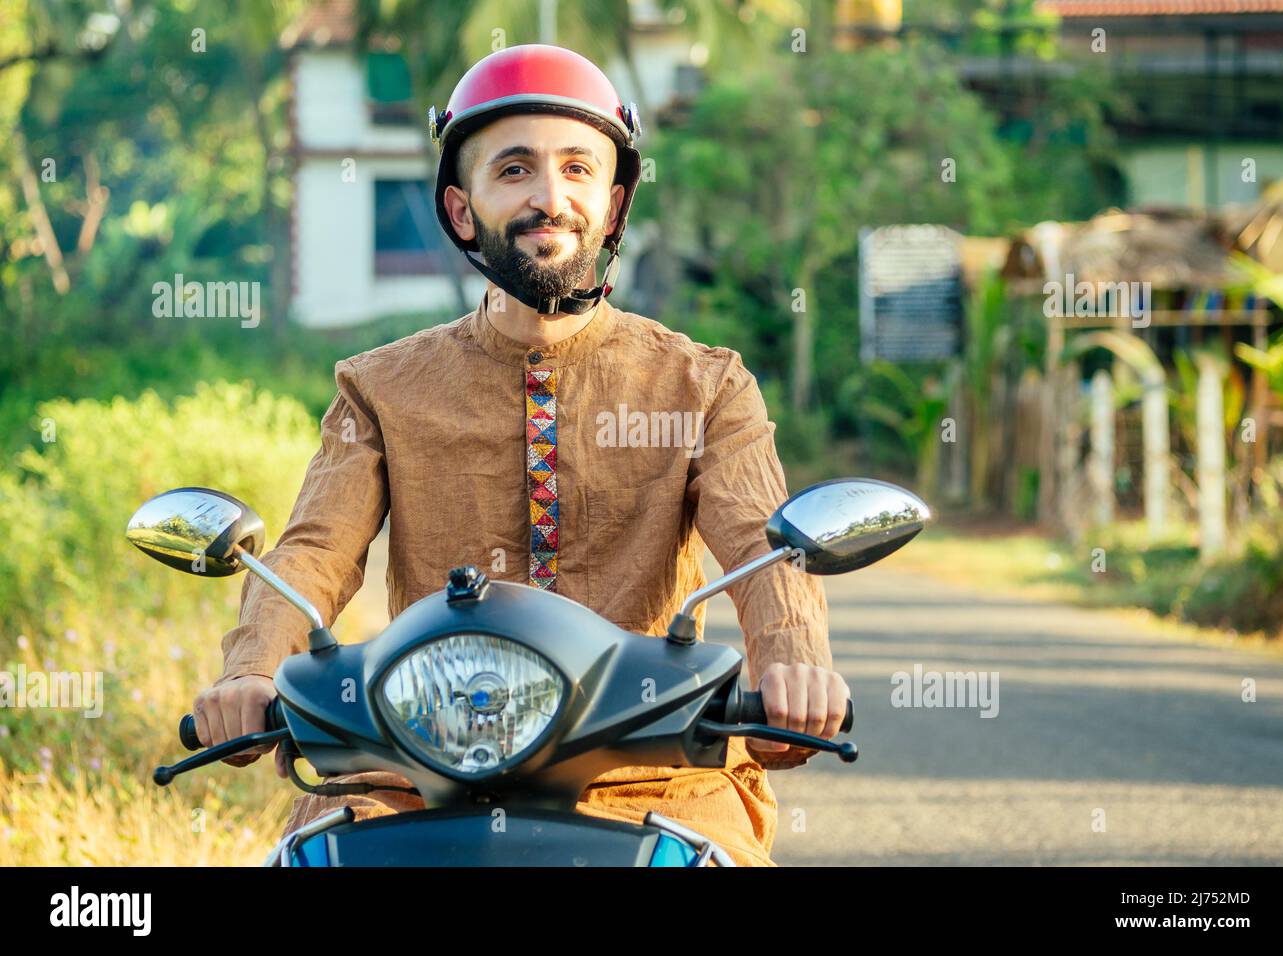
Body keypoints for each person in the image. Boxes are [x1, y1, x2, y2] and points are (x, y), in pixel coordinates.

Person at [192, 44, 849, 867]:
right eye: (514, 171)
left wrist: (794, 670)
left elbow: (760, 545)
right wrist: (250, 673)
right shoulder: (379, 386)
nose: (550, 197)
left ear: (611, 207)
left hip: (653, 778)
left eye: (577, 169)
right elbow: (315, 552)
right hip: (411, 780)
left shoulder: (705, 386)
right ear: (463, 210)